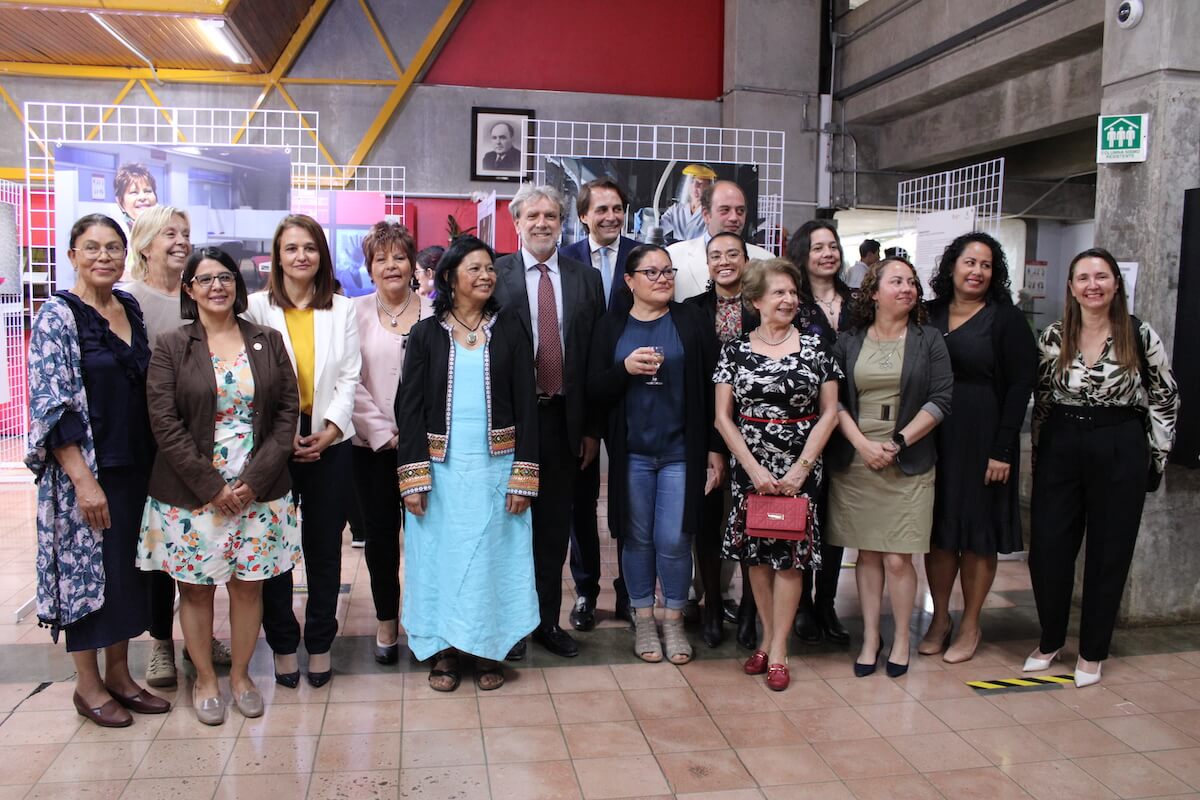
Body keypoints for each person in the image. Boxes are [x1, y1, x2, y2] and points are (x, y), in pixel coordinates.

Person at [139, 248, 300, 725]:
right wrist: (212, 486)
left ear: (238, 285)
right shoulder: (172, 345)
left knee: (249, 588)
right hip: (193, 496)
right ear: (189, 289)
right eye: (205, 279)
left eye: (225, 277)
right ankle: (206, 678)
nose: (217, 286)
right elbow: (163, 422)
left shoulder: (267, 340)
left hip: (260, 491)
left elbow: (287, 413)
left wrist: (251, 482)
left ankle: (242, 676)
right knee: (196, 590)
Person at [26, 214, 170, 727]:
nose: (104, 256)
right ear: (71, 255)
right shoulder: (57, 317)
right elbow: (53, 405)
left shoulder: (128, 306)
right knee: (85, 578)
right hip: (85, 474)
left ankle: (119, 675)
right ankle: (87, 687)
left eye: (113, 247)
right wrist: (83, 481)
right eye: (92, 247)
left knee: (126, 577)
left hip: (136, 466)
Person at [1025, 247, 1178, 687]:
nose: (1093, 285)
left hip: (1120, 443)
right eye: (1084, 278)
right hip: (1062, 443)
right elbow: (1042, 402)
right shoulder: (1053, 336)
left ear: (1115, 284)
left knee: (1109, 553)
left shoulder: (1138, 333)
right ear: (1071, 288)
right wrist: (1038, 457)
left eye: (1102, 276)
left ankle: (1092, 652)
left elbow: (1166, 398)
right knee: (1049, 552)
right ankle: (1051, 640)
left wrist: (1157, 456)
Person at [396, 235, 539, 691]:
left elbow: (527, 406)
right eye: (474, 268)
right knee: (440, 561)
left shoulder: (511, 328)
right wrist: (413, 477)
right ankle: (444, 651)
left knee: (492, 561)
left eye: (489, 268)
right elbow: (410, 409)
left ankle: (487, 648)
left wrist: (524, 476)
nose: (485, 275)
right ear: (450, 278)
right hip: (440, 473)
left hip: (497, 469)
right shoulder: (425, 334)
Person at [587, 244, 724, 665]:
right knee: (637, 538)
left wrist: (716, 448)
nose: (663, 278)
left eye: (668, 271)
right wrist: (624, 370)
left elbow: (714, 384)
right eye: (652, 272)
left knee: (675, 538)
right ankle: (643, 617)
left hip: (683, 451)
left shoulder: (691, 320)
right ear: (629, 281)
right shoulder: (610, 326)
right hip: (633, 454)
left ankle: (674, 619)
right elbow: (594, 388)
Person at [245, 214, 361, 689]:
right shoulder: (254, 309)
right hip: (274, 447)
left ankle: (319, 643)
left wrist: (331, 430)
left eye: (309, 247)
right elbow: (251, 383)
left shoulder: (342, 309)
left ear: (321, 255)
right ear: (276, 257)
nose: (301, 256)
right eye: (291, 248)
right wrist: (282, 438)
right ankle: (282, 644)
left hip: (331, 445)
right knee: (275, 551)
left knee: (323, 549)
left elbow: (350, 376)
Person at [714, 258, 841, 690]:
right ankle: (766, 639)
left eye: (792, 292)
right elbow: (722, 417)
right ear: (755, 301)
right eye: (778, 293)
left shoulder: (817, 348)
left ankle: (780, 649)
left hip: (800, 467)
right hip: (750, 469)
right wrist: (752, 467)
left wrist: (801, 469)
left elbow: (829, 414)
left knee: (789, 559)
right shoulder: (734, 350)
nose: (788, 300)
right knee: (757, 558)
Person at [826, 257, 952, 679]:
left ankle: (900, 638)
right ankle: (870, 639)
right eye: (897, 281)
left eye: (912, 282)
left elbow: (941, 400)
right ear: (873, 292)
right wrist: (863, 445)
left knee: (900, 558)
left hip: (909, 455)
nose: (907, 288)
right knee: (866, 555)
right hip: (858, 454)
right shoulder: (848, 340)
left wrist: (897, 443)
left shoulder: (929, 339)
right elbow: (835, 401)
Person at [493, 184, 605, 660]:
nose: (542, 223)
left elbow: (597, 359)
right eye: (533, 215)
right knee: (506, 526)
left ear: (565, 223)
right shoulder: (494, 274)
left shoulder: (586, 279)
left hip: (564, 421)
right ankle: (509, 624)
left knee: (554, 529)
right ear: (516, 222)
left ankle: (545, 623)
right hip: (510, 423)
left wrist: (592, 428)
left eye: (552, 216)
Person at [124, 205, 235, 686]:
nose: (180, 241)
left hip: (206, 445)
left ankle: (199, 638)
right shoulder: (131, 299)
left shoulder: (202, 298)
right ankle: (161, 645)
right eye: (169, 233)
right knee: (160, 552)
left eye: (186, 233)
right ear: (145, 243)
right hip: (151, 441)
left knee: (203, 547)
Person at [918, 233, 1037, 663]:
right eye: (970, 262)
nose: (977, 271)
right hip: (934, 435)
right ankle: (939, 619)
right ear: (952, 266)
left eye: (986, 265)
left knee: (979, 534)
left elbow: (1022, 384)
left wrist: (1003, 449)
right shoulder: (927, 313)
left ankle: (970, 622)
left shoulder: (1005, 319)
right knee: (940, 533)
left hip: (985, 434)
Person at [559, 177, 638, 631]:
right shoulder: (565, 259)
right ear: (583, 215)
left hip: (631, 392)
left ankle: (629, 592)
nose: (610, 216)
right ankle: (586, 591)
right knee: (580, 502)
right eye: (601, 209)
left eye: (617, 208)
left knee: (628, 498)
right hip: (583, 395)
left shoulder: (642, 256)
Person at [351, 221, 430, 664]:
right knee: (381, 538)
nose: (391, 265)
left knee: (427, 536)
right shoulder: (353, 312)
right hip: (372, 450)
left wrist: (415, 436)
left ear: (412, 262)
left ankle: (424, 617)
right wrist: (383, 431)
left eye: (399, 256)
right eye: (381, 259)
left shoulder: (437, 312)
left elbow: (442, 383)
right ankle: (386, 618)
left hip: (427, 451)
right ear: (370, 267)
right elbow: (349, 380)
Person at [683, 232, 762, 649]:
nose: (725, 261)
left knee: (754, 519)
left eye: (733, 254)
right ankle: (712, 604)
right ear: (708, 263)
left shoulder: (764, 307)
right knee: (707, 521)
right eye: (716, 255)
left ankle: (750, 608)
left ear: (747, 260)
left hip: (757, 430)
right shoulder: (692, 310)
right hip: (704, 428)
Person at [789, 220, 857, 646]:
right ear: (804, 254)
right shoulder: (792, 302)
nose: (827, 254)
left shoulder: (858, 301)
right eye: (818, 248)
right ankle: (799, 606)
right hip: (800, 425)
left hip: (852, 423)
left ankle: (826, 601)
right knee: (802, 516)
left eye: (833, 246)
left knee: (836, 518)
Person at [668, 180, 772, 301]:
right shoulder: (674, 256)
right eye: (725, 210)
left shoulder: (767, 260)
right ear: (706, 215)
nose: (734, 218)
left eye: (740, 211)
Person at [660, 163, 716, 243]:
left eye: (700, 183)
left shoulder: (713, 212)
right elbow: (658, 229)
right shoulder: (676, 210)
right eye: (692, 181)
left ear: (709, 187)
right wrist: (647, 221)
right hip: (678, 254)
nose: (695, 186)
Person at [114, 162, 158, 230]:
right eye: (134, 192)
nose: (142, 197)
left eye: (148, 191)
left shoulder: (168, 227)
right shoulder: (116, 232)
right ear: (120, 201)